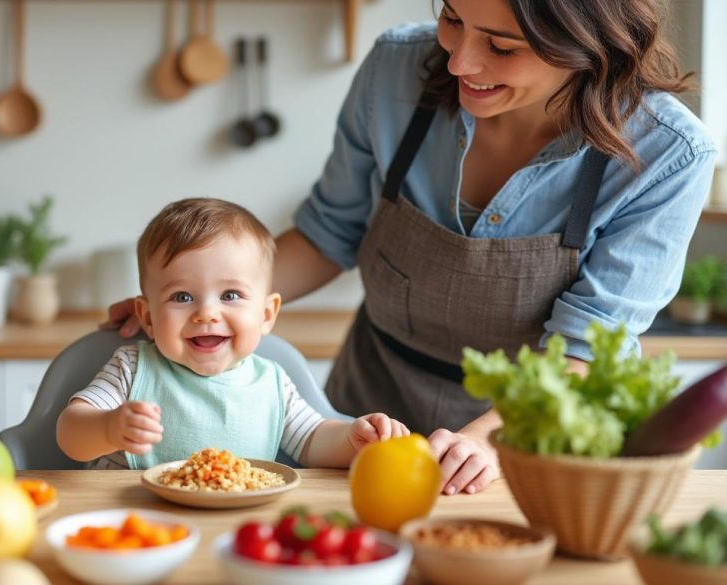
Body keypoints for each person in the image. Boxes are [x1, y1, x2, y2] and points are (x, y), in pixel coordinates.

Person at [103, 0, 718, 493]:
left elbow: (584, 351)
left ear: (587, 42)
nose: (458, 64)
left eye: (501, 46)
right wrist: (195, 299)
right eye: (452, 19)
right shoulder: (396, 70)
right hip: (372, 404)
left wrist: (484, 442)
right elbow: (327, 234)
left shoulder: (667, 155)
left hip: (530, 445)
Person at [57, 198, 410, 470]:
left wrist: (354, 439)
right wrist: (107, 428)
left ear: (266, 314)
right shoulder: (132, 368)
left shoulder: (272, 382)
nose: (207, 313)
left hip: (237, 528)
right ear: (147, 318)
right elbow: (69, 433)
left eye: (230, 295)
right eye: (182, 297)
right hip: (139, 526)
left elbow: (314, 440)